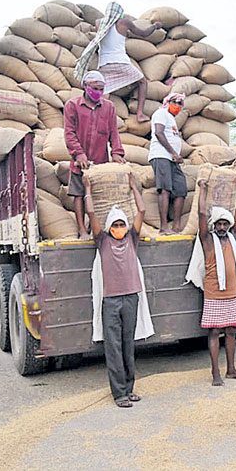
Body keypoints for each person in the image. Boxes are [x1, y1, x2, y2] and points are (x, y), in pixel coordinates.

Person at [84, 173, 153, 408]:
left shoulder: (132, 239)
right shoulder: (103, 241)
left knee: (128, 345)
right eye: (116, 225)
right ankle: (119, 393)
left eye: (122, 224)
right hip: (111, 301)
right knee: (113, 347)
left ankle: (129, 388)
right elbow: (91, 213)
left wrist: (134, 187)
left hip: (131, 298)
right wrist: (88, 190)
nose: (120, 228)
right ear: (109, 228)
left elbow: (141, 211)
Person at [185, 177, 236, 386]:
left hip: (231, 293)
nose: (222, 227)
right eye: (219, 224)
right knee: (214, 332)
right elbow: (202, 214)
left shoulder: (233, 237)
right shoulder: (207, 240)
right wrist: (203, 189)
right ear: (214, 225)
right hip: (213, 293)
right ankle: (215, 373)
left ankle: (231, 369)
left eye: (225, 224)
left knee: (231, 331)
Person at [74, 1, 163, 123]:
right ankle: (140, 114)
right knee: (142, 82)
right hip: (120, 62)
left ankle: (95, 116)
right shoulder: (124, 22)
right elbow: (143, 34)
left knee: (103, 91)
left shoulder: (99, 23)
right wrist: (155, 26)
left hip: (104, 64)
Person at [64, 70, 125, 240]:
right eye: (95, 88)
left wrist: (117, 153)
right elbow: (69, 133)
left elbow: (114, 133)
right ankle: (82, 229)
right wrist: (78, 154)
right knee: (78, 194)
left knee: (97, 195)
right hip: (79, 161)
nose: (98, 92)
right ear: (85, 86)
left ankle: (95, 228)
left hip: (100, 161)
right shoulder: (73, 105)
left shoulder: (109, 107)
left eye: (101, 89)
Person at [148, 93, 188, 235]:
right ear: (168, 102)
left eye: (180, 103)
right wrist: (173, 153)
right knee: (164, 189)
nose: (177, 106)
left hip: (172, 158)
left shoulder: (172, 119)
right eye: (175, 102)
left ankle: (176, 226)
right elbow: (159, 133)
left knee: (181, 189)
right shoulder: (161, 113)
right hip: (161, 155)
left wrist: (176, 155)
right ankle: (164, 227)